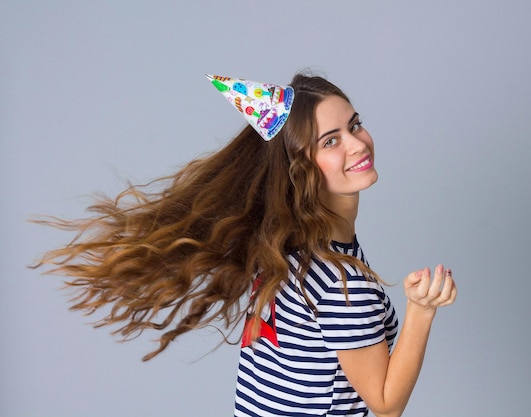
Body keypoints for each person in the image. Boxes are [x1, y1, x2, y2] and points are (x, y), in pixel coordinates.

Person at [34, 72, 457, 417]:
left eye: (355, 124)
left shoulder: (279, 251)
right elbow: (385, 403)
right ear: (299, 166)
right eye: (330, 141)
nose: (358, 143)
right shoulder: (342, 283)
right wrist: (421, 311)